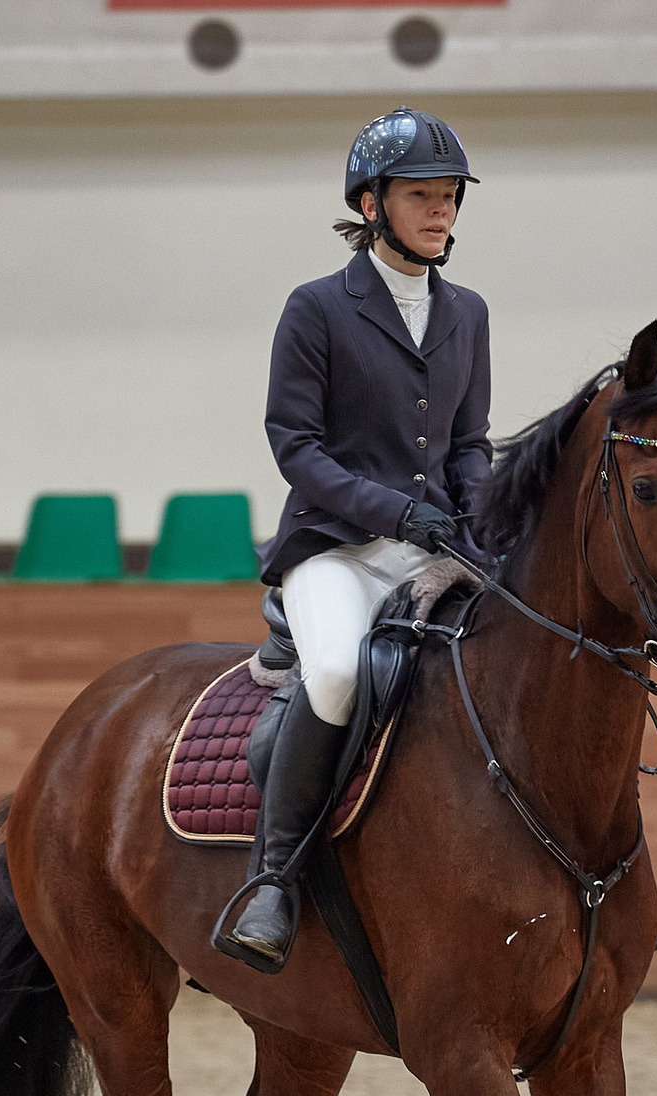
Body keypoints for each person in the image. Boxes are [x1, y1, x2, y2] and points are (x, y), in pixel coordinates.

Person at [214, 108, 492, 974]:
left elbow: (470, 443)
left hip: (434, 551)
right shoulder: (318, 308)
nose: (441, 211)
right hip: (334, 548)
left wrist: (479, 523)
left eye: (450, 197)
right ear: (372, 205)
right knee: (337, 671)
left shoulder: (469, 313)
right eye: (421, 196)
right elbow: (295, 446)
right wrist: (396, 512)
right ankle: (273, 880)